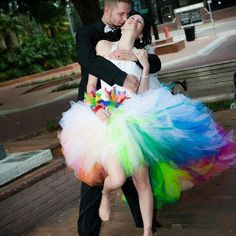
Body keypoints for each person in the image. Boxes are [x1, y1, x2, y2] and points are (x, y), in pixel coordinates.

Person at [59, 12, 236, 236]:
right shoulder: (103, 46)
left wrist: (143, 66)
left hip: (135, 119)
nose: (133, 21)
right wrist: (96, 107)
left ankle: (148, 230)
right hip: (107, 121)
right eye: (130, 18)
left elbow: (142, 92)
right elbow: (90, 86)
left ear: (141, 31)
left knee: (142, 182)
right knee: (118, 178)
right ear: (122, 25)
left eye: (139, 21)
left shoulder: (142, 54)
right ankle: (105, 194)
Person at [74, 0, 161, 235]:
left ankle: (146, 223)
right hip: (99, 108)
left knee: (137, 173)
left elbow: (155, 63)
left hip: (130, 114)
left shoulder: (139, 47)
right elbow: (88, 61)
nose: (126, 19)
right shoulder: (90, 36)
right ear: (107, 10)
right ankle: (88, 230)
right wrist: (120, 77)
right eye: (122, 15)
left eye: (131, 16)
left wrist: (137, 60)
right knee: (94, 178)